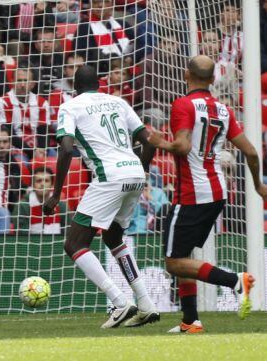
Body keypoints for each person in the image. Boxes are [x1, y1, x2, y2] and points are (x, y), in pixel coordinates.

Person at [147, 55, 267, 333]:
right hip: (218, 191)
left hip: (192, 193)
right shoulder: (223, 110)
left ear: (186, 75)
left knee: (175, 262)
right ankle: (191, 321)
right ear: (213, 80)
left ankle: (235, 281)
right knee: (184, 254)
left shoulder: (182, 105)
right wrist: (259, 186)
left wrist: (159, 142)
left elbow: (182, 147)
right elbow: (249, 151)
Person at [43, 65, 158, 328]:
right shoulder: (118, 102)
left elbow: (66, 148)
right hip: (134, 173)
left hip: (108, 177)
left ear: (75, 85)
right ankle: (146, 303)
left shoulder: (70, 107)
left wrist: (56, 193)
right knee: (114, 236)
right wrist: (140, 170)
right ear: (99, 83)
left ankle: (119, 302)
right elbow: (149, 141)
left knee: (74, 244)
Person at [15, 167, 68, 235]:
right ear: (33, 185)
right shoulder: (22, 206)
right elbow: (22, 234)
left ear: (52, 185)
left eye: (46, 180)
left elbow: (67, 232)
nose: (42, 184)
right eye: (39, 181)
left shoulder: (62, 206)